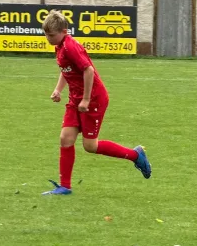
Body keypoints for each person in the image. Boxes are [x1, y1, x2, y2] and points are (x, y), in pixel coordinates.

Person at [41, 10, 151, 195]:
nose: (48, 38)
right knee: (65, 138)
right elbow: (66, 69)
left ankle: (135, 155)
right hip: (75, 98)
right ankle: (65, 186)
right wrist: (58, 90)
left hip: (93, 98)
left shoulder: (70, 46)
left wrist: (85, 99)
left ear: (64, 31)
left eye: (51, 35)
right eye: (46, 35)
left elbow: (88, 70)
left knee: (90, 146)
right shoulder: (59, 46)